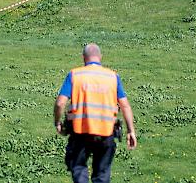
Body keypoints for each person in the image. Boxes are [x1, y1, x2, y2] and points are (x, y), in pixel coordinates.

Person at [54, 43, 137, 183]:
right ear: (100, 57)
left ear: (83, 58)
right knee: (102, 174)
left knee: (79, 168)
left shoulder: (75, 75)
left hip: (80, 132)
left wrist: (57, 122)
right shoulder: (112, 77)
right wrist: (131, 131)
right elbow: (125, 106)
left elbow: (60, 102)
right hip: (106, 132)